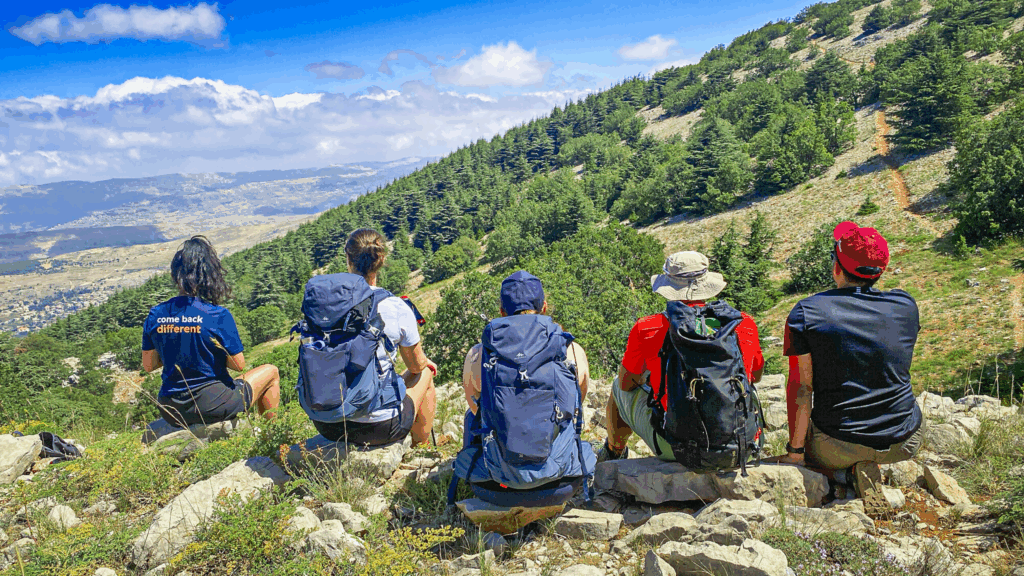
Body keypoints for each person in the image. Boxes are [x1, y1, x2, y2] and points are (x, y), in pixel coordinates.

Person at [780, 221, 923, 512]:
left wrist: (796, 452)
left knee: (817, 446)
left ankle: (844, 475)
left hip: (836, 445)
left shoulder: (807, 312)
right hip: (904, 441)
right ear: (880, 270)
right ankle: (866, 467)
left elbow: (803, 388)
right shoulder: (906, 305)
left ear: (836, 268)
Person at [599, 251, 765, 464]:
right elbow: (755, 376)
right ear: (708, 285)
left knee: (616, 388)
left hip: (678, 449)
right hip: (742, 444)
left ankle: (613, 453)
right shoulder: (742, 324)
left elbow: (626, 383)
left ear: (668, 287)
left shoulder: (647, 328)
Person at [452, 271, 595, 508]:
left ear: (501, 311)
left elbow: (476, 408)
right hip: (560, 486)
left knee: (472, 416)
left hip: (494, 487)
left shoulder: (478, 355)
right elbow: (576, 404)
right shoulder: (570, 351)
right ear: (544, 307)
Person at [308, 228, 437, 447]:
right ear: (381, 260)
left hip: (326, 423)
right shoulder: (395, 307)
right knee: (425, 372)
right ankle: (421, 449)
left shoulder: (324, 306)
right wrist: (424, 364)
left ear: (348, 259)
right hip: (379, 428)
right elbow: (415, 366)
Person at [142, 236, 280, 428]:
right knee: (271, 372)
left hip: (170, 410)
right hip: (212, 405)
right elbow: (238, 365)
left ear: (176, 274)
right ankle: (271, 434)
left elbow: (148, 365)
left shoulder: (156, 314)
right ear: (209, 274)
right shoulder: (217, 315)